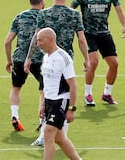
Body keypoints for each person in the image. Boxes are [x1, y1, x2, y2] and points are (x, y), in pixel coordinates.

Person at [25, 0, 90, 146]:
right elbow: (81, 39)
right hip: (66, 61)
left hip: (47, 61)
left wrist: (28, 57)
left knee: (47, 96)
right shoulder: (74, 14)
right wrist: (87, 58)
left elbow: (36, 38)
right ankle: (62, 135)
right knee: (64, 98)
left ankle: (43, 135)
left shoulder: (44, 14)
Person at [70, 0, 125, 106]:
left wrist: (124, 26)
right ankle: (88, 94)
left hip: (104, 33)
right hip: (88, 33)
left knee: (114, 63)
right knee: (93, 61)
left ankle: (107, 93)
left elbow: (119, 10)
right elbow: (71, 9)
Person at [36, 27, 82, 160]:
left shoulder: (63, 58)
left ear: (50, 40)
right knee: (59, 138)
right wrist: (42, 104)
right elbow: (45, 84)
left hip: (60, 101)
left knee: (48, 134)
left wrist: (72, 109)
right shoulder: (46, 58)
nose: (38, 44)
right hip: (49, 102)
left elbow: (73, 85)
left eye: (40, 40)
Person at [4, 0, 45, 132]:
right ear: (42, 1)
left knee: (16, 87)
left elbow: (7, 41)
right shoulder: (45, 16)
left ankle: (15, 116)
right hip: (40, 59)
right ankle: (42, 120)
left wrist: (9, 60)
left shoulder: (20, 16)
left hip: (19, 59)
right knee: (43, 89)